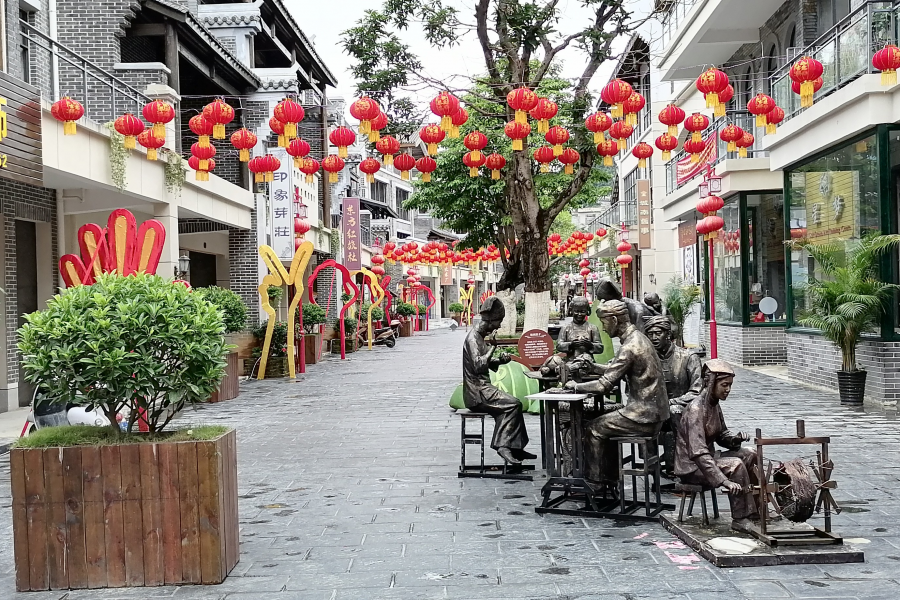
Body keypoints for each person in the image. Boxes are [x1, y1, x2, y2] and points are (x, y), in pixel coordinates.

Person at [564, 300, 668, 486]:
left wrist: (574, 386)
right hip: (653, 413)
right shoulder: (638, 338)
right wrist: (594, 366)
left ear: (613, 319)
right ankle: (609, 477)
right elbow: (618, 369)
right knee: (605, 423)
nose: (603, 329)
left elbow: (603, 386)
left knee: (593, 428)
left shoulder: (630, 346)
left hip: (643, 416)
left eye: (604, 323)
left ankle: (594, 483)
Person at [674, 359, 760, 533]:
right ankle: (740, 518)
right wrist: (724, 481)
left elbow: (722, 435)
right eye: (724, 385)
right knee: (735, 466)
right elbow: (698, 453)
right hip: (692, 468)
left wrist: (735, 440)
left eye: (730, 385)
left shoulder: (714, 404)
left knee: (750, 453)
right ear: (711, 383)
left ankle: (755, 510)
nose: (728, 389)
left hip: (707, 459)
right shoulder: (696, 410)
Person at [462, 296, 534, 465]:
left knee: (513, 404)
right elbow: (479, 365)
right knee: (513, 404)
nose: (499, 326)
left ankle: (516, 448)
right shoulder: (473, 339)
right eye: (498, 322)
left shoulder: (480, 337)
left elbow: (485, 362)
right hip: (477, 392)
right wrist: (493, 347)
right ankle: (503, 446)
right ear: (490, 321)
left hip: (482, 388)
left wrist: (500, 360)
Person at [643, 315, 702, 477]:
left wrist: (670, 402)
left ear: (668, 334)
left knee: (674, 411)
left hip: (684, 411)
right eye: (650, 334)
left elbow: (697, 391)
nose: (654, 338)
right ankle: (651, 464)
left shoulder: (688, 357)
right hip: (656, 413)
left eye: (658, 333)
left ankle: (680, 466)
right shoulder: (646, 360)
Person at [594, 279, 659, 332]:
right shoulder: (624, 306)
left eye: (605, 301)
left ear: (611, 299)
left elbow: (642, 340)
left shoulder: (638, 311)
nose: (604, 304)